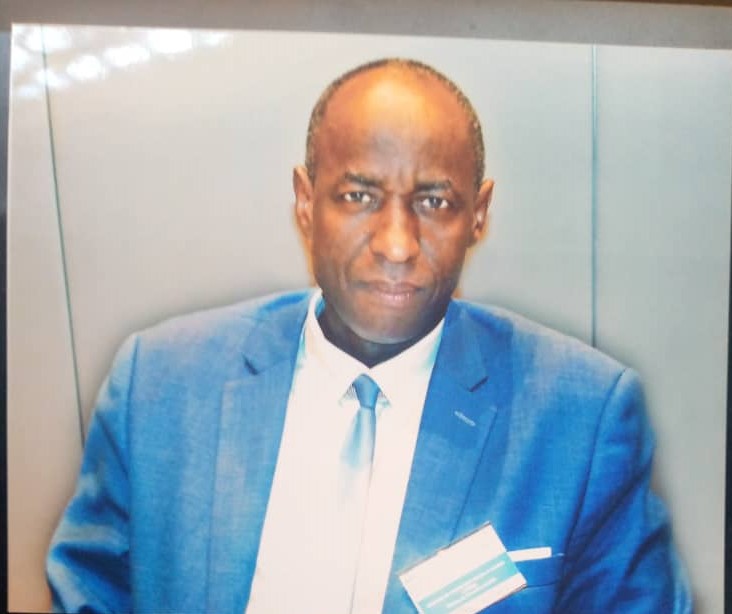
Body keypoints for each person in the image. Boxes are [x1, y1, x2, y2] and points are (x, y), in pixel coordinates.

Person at [47, 58, 692, 613]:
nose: (397, 245)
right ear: (306, 201)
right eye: (359, 196)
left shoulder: (581, 420)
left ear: (479, 214)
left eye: (434, 202)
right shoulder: (159, 386)